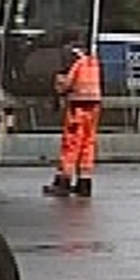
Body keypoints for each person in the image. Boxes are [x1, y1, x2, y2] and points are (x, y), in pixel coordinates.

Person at [43, 37, 103, 197]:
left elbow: (67, 84)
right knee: (87, 145)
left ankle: (64, 181)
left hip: (78, 108)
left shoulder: (75, 62)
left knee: (71, 144)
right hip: (94, 108)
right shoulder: (93, 62)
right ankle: (84, 183)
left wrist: (58, 87)